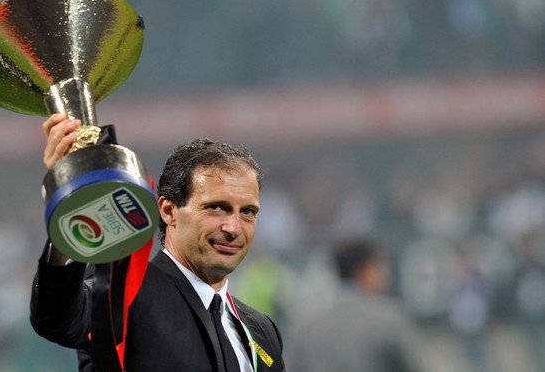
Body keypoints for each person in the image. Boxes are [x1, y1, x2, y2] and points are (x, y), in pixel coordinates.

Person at [30, 113, 286, 372]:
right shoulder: (125, 291)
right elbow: (59, 318)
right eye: (217, 208)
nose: (233, 228)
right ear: (168, 210)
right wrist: (72, 207)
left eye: (247, 212)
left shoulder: (262, 331)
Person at [286, 238, 426, 372]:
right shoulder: (388, 319)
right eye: (379, 266)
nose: (385, 273)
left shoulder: (305, 323)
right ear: (365, 270)